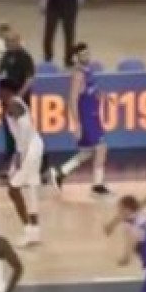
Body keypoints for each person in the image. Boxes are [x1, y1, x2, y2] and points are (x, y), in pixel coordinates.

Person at [46, 44, 109, 196]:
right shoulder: (78, 75)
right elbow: (72, 99)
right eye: (83, 54)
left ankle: (60, 172)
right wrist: (77, 124)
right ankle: (97, 185)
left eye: (88, 53)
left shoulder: (88, 70)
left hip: (93, 114)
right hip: (86, 117)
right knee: (101, 148)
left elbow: (90, 90)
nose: (87, 56)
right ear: (76, 58)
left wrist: (100, 95)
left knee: (88, 151)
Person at [0, 78, 44, 246]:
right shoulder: (16, 101)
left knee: (13, 189)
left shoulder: (13, 104)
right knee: (31, 188)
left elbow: (25, 128)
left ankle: (28, 229)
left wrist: (20, 154)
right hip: (33, 146)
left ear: (5, 91)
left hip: (29, 148)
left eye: (0, 91)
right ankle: (34, 232)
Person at [0, 34, 36, 167]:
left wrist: (18, 96)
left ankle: (25, 158)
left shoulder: (25, 57)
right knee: (9, 129)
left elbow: (29, 79)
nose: (8, 43)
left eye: (11, 41)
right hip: (6, 98)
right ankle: (10, 158)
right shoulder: (5, 56)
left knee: (23, 129)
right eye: (6, 41)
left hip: (19, 99)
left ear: (18, 41)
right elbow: (2, 75)